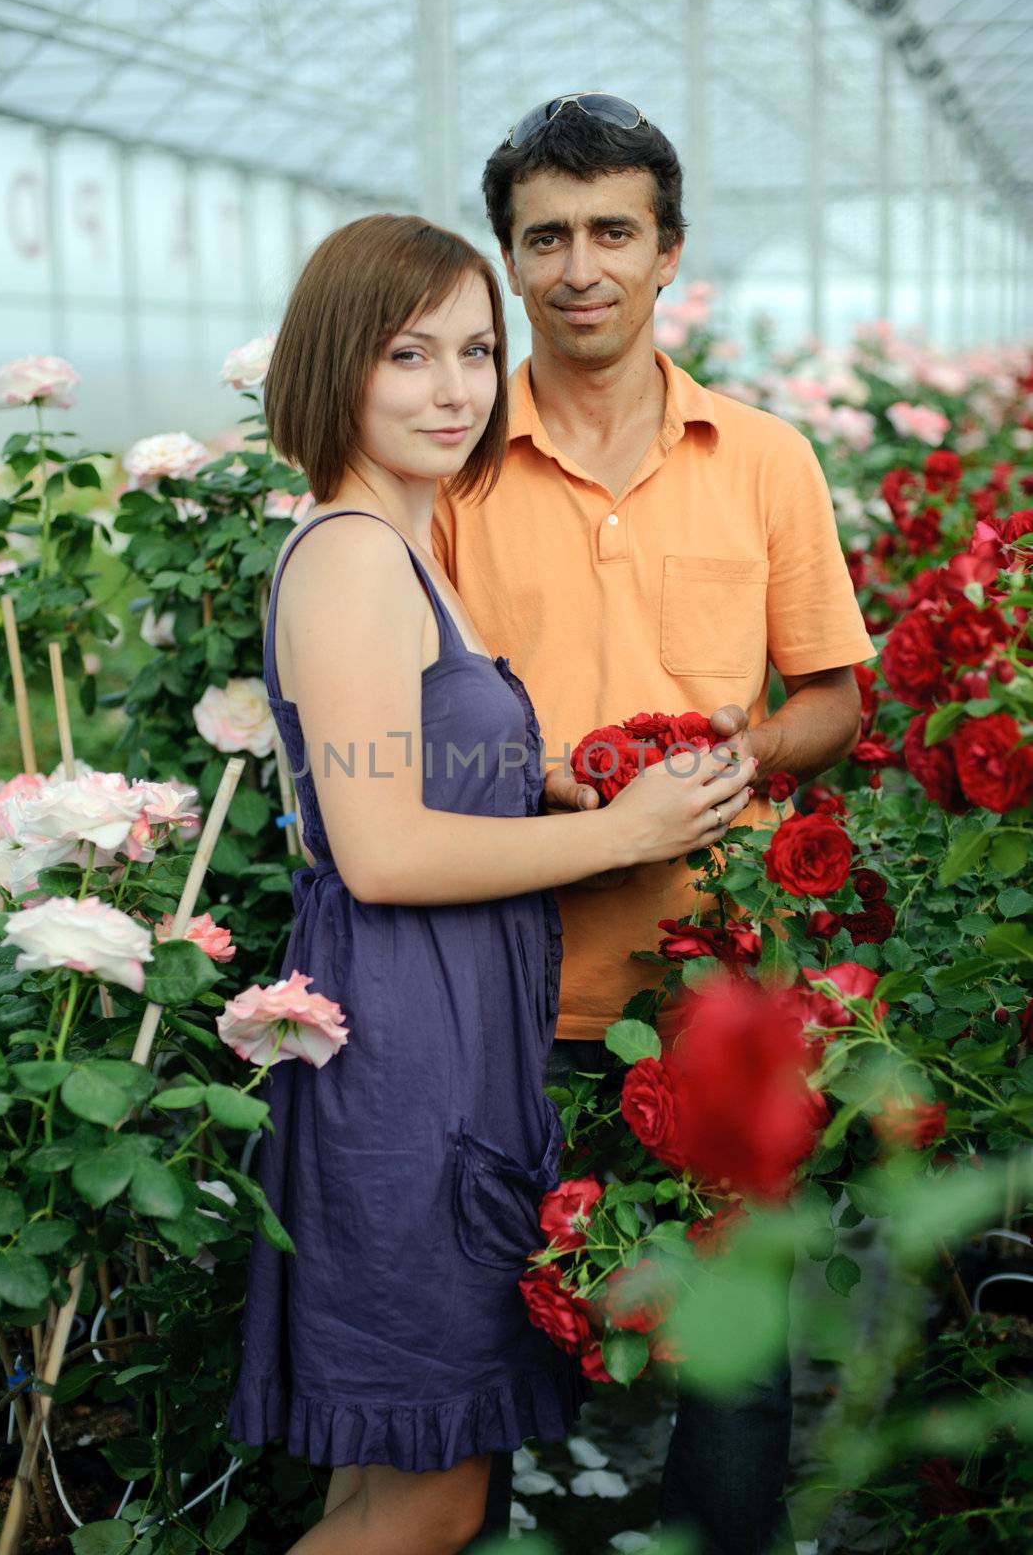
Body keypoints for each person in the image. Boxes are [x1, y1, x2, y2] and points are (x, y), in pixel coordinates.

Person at [224, 212, 757, 1555]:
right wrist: (620, 833)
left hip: (441, 1036)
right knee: (435, 1491)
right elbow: (385, 849)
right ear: (335, 366)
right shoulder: (351, 555)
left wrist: (544, 783)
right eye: (408, 355)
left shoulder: (401, 550)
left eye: (475, 350)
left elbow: (400, 776)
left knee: (391, 1475)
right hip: (405, 1050)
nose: (454, 390)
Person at [432, 97, 877, 1554]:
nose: (580, 267)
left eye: (612, 231)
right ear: (508, 258)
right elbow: (404, 721)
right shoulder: (449, 470)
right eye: (545, 236)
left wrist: (729, 762)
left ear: (668, 251)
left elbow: (835, 696)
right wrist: (561, 786)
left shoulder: (762, 457)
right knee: (485, 1342)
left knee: (736, 1351)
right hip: (498, 977)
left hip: (714, 976)